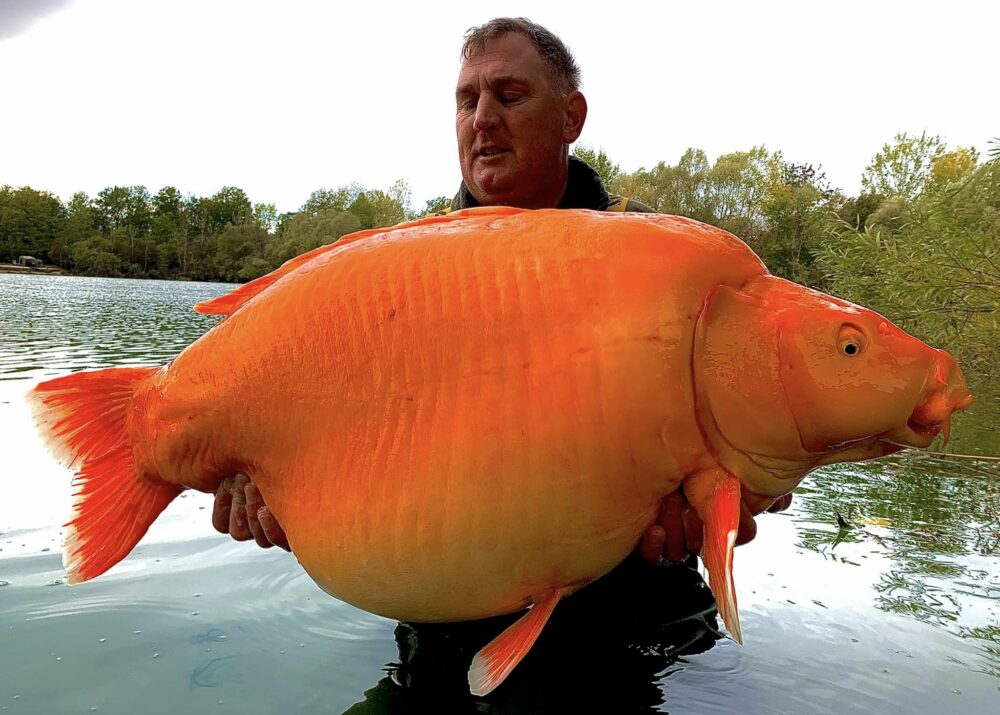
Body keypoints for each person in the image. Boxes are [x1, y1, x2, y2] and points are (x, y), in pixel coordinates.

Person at [212, 16, 790, 573]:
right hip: (450, 600)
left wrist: (745, 487)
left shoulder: (666, 258)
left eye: (510, 96)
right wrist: (287, 501)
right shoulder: (399, 272)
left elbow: (768, 426)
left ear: (571, 116)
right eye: (467, 102)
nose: (483, 118)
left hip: (642, 609)